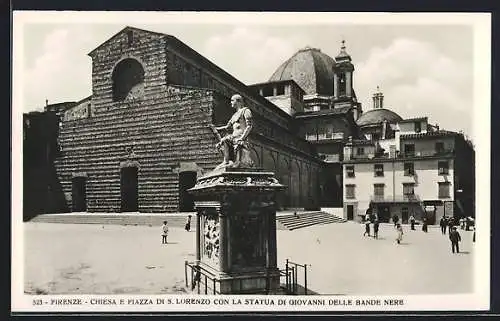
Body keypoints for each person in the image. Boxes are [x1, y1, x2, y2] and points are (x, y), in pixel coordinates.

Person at [214, 94, 254, 169]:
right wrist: (216, 128)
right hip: (233, 137)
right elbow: (227, 127)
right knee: (223, 140)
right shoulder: (234, 115)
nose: (231, 102)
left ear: (238, 101)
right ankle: (226, 161)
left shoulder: (246, 111)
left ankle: (236, 162)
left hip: (241, 137)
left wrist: (242, 138)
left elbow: (249, 126)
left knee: (227, 140)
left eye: (232, 100)